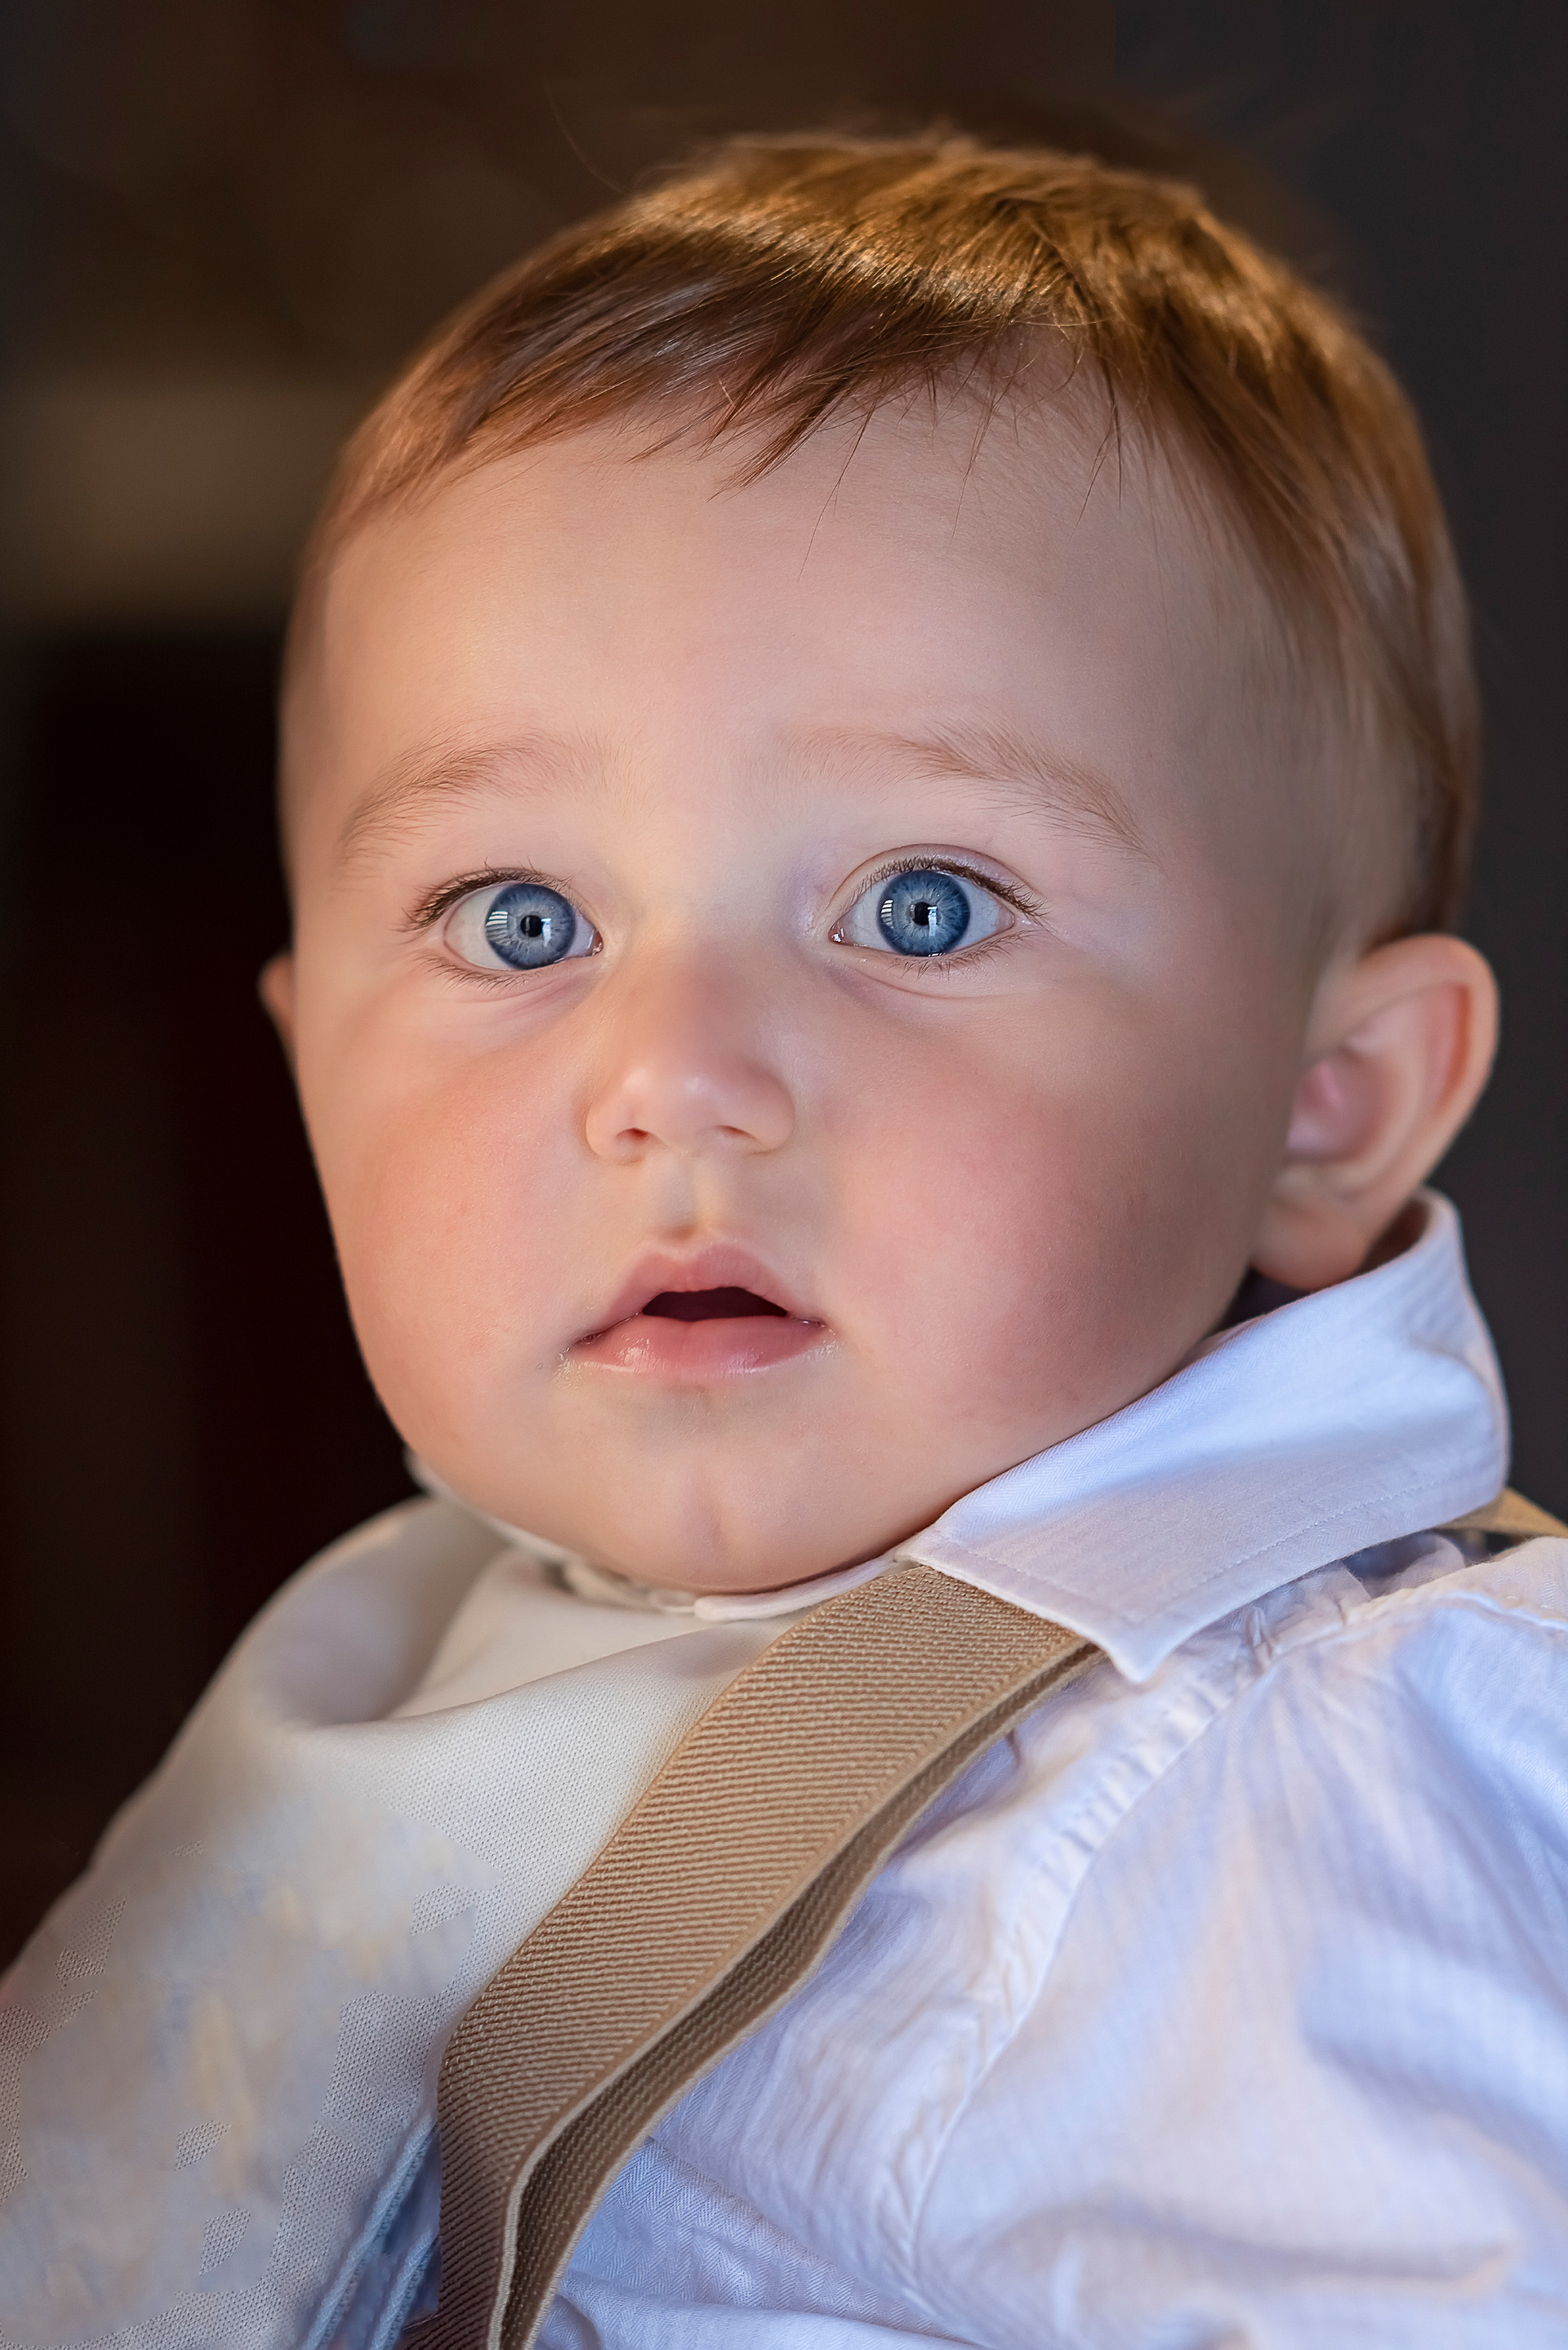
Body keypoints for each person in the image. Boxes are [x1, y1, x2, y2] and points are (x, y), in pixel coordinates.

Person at [3, 130, 1566, 2350]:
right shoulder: (416, 1659)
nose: (679, 1074)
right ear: (304, 1074)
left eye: (921, 907)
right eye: (518, 919)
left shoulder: (1342, 1785)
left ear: (1328, 1106)